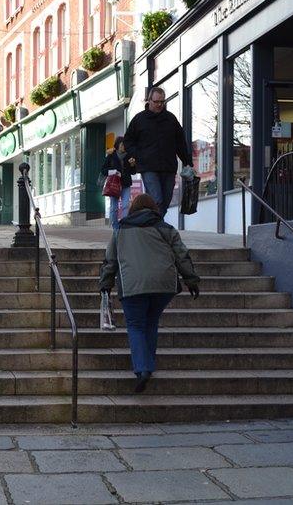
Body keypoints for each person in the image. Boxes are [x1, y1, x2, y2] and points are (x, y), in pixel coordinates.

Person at [98, 194, 200, 393]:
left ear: (132, 209)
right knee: (151, 323)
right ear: (154, 208)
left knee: (136, 326)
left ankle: (142, 369)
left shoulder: (120, 229)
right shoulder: (166, 228)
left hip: (133, 285)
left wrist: (105, 284)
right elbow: (182, 255)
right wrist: (191, 280)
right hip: (163, 285)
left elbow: (110, 260)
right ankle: (148, 365)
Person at [123, 87, 194, 216]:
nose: (160, 104)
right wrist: (138, 155)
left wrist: (187, 162)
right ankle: (156, 229)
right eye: (156, 102)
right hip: (148, 167)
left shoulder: (171, 119)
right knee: (157, 200)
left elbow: (180, 143)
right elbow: (128, 141)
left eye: (162, 101)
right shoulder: (139, 119)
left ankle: (151, 225)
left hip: (168, 167)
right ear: (149, 101)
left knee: (166, 201)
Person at [100, 137, 134, 229]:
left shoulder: (129, 156)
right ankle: (115, 226)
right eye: (122, 144)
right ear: (117, 145)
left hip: (126, 184)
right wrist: (113, 171)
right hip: (114, 184)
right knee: (114, 208)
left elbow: (133, 171)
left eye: (125, 145)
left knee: (126, 205)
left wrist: (132, 165)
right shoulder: (111, 156)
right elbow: (103, 170)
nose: (124, 146)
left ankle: (124, 226)